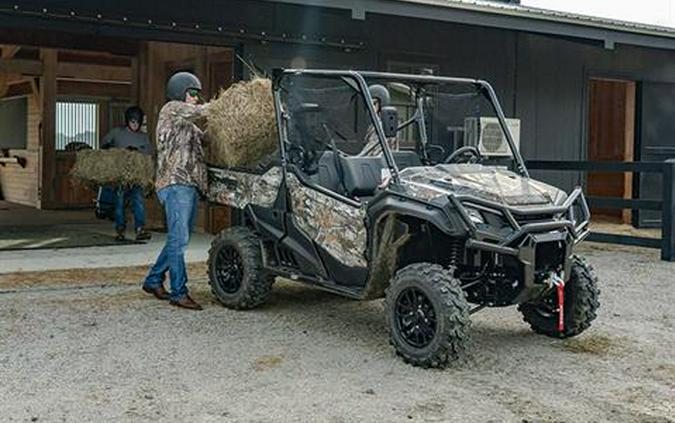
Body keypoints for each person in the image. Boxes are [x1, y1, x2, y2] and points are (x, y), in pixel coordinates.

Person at [142, 72, 210, 310]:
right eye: (193, 93)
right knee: (179, 240)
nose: (196, 98)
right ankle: (179, 292)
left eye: (198, 94)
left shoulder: (187, 126)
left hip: (188, 185)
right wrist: (229, 107)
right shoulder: (171, 109)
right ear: (180, 92)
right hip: (175, 182)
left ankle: (153, 279)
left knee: (179, 238)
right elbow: (203, 112)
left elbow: (207, 139)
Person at [101, 106, 152, 241]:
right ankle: (120, 229)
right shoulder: (117, 133)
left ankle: (140, 229)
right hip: (121, 174)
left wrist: (137, 151)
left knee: (138, 201)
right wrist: (114, 150)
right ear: (127, 121)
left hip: (136, 175)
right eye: (132, 122)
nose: (135, 125)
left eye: (137, 123)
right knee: (119, 202)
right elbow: (104, 143)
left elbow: (149, 154)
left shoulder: (143, 137)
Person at [359, 84, 399, 156]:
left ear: (382, 104)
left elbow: (372, 150)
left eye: (374, 103)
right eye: (368, 103)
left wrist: (356, 159)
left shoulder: (385, 124)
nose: (371, 107)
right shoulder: (373, 124)